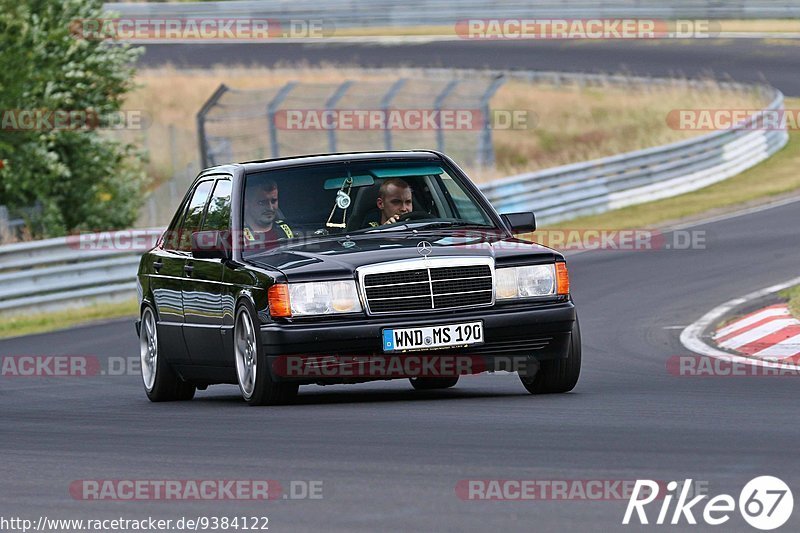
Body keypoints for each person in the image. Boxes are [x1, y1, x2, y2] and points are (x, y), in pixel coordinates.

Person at [243, 179, 294, 245]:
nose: (270, 207)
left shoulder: (289, 230)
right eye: (262, 202)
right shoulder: (235, 237)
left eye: (273, 201)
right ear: (246, 204)